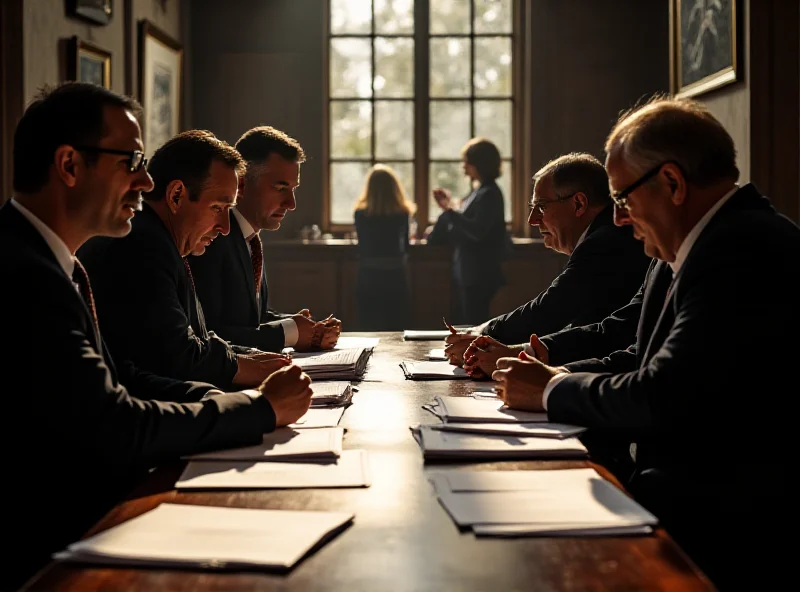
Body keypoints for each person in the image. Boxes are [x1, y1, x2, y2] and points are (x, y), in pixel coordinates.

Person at [0, 82, 312, 589]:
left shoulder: (51, 260)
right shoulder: (24, 272)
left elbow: (117, 376)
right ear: (70, 166)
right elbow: (114, 424)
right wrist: (256, 410)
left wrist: (223, 395)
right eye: (131, 161)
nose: (145, 182)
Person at [491, 96, 799, 589]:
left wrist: (550, 392)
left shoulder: (746, 249)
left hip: (729, 522)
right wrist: (556, 375)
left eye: (621, 199)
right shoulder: (684, 244)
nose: (616, 219)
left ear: (673, 184)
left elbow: (664, 394)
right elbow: (640, 350)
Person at [80, 130, 290, 390]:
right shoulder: (144, 245)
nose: (225, 228)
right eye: (218, 208)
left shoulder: (161, 240)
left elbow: (195, 338)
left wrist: (247, 357)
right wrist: (243, 369)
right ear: (176, 195)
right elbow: (175, 357)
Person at [443, 153, 650, 374]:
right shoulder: (602, 236)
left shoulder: (605, 240)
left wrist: (486, 335)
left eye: (540, 207)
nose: (532, 220)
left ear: (579, 203)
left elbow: (551, 309)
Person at [189, 125, 340, 352]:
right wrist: (290, 331)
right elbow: (210, 333)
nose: (291, 204)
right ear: (241, 184)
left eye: (293, 189)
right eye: (281, 188)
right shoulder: (212, 238)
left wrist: (306, 328)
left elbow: (252, 319)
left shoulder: (251, 239)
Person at [426, 137, 509, 325]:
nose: (463, 167)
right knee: (470, 321)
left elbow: (477, 230)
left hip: (479, 272)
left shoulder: (489, 193)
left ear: (477, 164)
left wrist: (449, 210)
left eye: (466, 162)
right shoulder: (481, 191)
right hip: (473, 271)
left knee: (474, 323)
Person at [352, 164, 415, 330]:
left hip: (369, 274)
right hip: (395, 274)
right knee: (396, 323)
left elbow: (362, 245)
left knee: (369, 323)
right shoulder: (402, 212)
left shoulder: (361, 213)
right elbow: (406, 246)